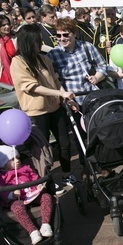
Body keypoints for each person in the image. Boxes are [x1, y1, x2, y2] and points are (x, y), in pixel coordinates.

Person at [10, 24, 76, 189]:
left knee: (64, 143)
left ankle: (67, 175)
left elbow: (55, 80)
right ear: (28, 41)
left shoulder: (44, 59)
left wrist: (65, 96)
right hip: (36, 112)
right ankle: (46, 181)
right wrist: (59, 94)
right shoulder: (18, 62)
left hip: (55, 108)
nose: (40, 42)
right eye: (37, 40)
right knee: (42, 149)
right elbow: (31, 86)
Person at [0, 145, 54, 245]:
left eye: (18, 157)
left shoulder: (25, 168)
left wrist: (38, 185)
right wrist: (11, 194)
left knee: (47, 197)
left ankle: (45, 224)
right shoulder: (0, 175)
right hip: (15, 200)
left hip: (32, 194)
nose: (17, 160)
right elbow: (1, 192)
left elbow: (35, 177)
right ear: (3, 163)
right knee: (17, 207)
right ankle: (32, 231)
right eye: (12, 159)